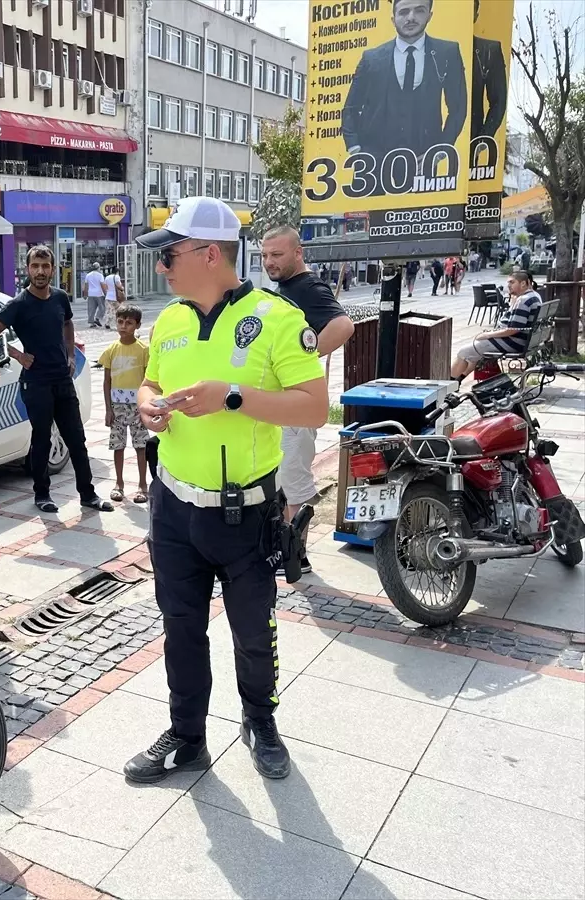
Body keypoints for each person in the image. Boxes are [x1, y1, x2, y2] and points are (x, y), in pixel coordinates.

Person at [123, 197, 328, 783]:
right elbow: (153, 380)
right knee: (180, 627)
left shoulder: (278, 317)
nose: (163, 268)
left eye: (171, 255)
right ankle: (186, 737)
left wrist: (233, 396)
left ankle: (260, 721)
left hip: (245, 512)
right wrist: (146, 406)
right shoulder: (172, 320)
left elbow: (314, 407)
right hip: (173, 507)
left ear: (211, 254)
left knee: (253, 632)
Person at [0, 246, 112, 515]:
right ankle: (42, 493)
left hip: (62, 380)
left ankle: (87, 493)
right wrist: (18, 355)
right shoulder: (18, 304)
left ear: (53, 268)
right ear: (28, 269)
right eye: (35, 266)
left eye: (45, 266)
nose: (40, 271)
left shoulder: (60, 298)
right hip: (36, 382)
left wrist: (70, 353)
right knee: (41, 440)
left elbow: (67, 323)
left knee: (76, 438)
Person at [260, 227, 355, 574]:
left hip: (296, 403)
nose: (270, 261)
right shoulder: (287, 288)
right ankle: (285, 550)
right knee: (282, 480)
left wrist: (304, 357)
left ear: (297, 253)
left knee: (293, 478)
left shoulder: (308, 286)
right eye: (265, 255)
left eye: (277, 254)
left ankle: (294, 555)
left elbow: (343, 326)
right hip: (283, 403)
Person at [342, 0, 467, 171]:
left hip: (424, 163)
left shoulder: (447, 52)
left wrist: (441, 149)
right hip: (373, 166)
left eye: (419, 11)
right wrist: (355, 149)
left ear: (430, 15)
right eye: (403, 12)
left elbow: (458, 107)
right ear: (393, 19)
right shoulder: (371, 58)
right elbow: (350, 108)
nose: (411, 18)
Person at [450, 269, 542, 385]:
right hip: (524, 340)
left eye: (512, 282)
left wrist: (488, 334)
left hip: (514, 342)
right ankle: (458, 381)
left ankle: (448, 384)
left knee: (464, 352)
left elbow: (513, 329)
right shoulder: (535, 296)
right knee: (474, 351)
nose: (508, 286)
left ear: (523, 283)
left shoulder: (523, 300)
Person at [99, 303, 150, 504]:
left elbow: (149, 380)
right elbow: (107, 381)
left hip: (138, 407)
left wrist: (147, 406)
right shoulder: (111, 350)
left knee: (141, 446)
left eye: (129, 323)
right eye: (120, 322)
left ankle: (142, 485)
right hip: (117, 406)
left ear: (137, 325)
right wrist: (108, 409)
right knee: (118, 445)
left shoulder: (144, 350)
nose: (123, 326)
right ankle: (118, 484)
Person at [471, 0, 507, 141]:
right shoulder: (428, 48)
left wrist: (481, 140)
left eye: (469, 11)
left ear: (476, 15)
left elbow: (499, 101)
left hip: (469, 145)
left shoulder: (488, 51)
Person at [102, 265, 125, 329]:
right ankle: (118, 323)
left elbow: (106, 287)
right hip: (115, 297)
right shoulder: (117, 277)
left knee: (109, 310)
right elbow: (119, 285)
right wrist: (122, 288)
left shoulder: (107, 277)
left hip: (108, 296)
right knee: (118, 310)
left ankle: (107, 323)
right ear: (117, 272)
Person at [83, 263, 106, 328]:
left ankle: (91, 323)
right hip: (99, 294)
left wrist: (85, 294)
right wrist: (105, 293)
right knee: (102, 308)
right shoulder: (100, 275)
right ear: (98, 268)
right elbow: (102, 285)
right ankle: (97, 318)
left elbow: (86, 286)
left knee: (91, 309)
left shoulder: (88, 275)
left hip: (91, 294)